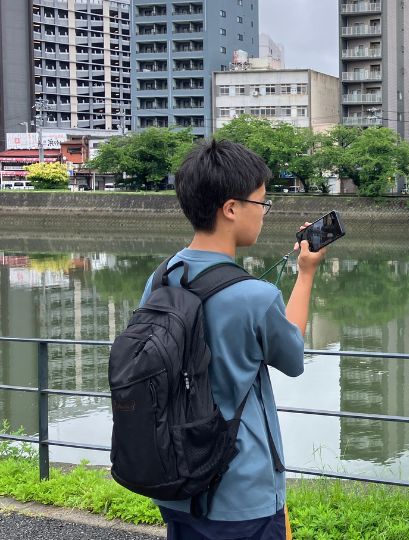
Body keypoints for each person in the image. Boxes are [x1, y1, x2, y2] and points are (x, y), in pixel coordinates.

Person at [140, 139, 325, 539]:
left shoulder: (159, 279)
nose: (264, 213)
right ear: (231, 208)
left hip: (175, 480)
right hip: (242, 493)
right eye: (261, 203)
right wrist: (306, 274)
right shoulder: (254, 297)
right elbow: (292, 359)